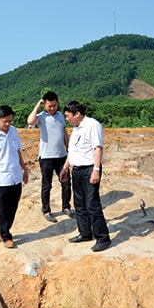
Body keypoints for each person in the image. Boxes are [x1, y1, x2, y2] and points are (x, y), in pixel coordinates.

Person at [59, 101, 111, 252]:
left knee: (92, 205)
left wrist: (96, 170)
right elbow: (73, 150)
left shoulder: (92, 125)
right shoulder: (76, 128)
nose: (67, 119)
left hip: (89, 169)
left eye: (68, 116)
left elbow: (98, 148)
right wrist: (65, 167)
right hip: (77, 170)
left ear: (77, 114)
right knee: (79, 204)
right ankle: (85, 233)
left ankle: (103, 238)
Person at [0, 105, 29, 249]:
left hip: (15, 176)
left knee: (12, 207)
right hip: (0, 179)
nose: (8, 124)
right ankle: (6, 236)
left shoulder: (13, 131)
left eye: (10, 121)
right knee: (2, 208)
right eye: (5, 122)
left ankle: (0, 230)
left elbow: (18, 152)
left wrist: (24, 169)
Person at [27, 91, 73, 223]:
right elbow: (30, 121)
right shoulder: (41, 117)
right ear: (44, 105)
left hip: (61, 156)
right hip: (46, 157)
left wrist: (69, 149)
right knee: (47, 185)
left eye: (54, 105)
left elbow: (64, 133)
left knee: (66, 182)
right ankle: (46, 210)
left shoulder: (61, 116)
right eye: (49, 106)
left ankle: (66, 207)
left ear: (57, 103)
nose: (52, 108)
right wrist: (38, 104)